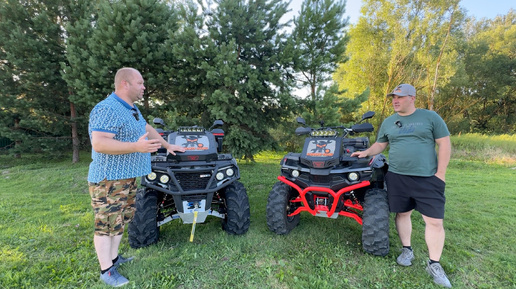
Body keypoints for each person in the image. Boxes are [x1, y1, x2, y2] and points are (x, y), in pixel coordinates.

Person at [87, 67, 185, 287]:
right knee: (106, 224)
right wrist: (136, 147)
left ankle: (114, 259)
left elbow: (146, 127)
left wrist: (167, 145)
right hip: (108, 179)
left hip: (127, 177)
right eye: (140, 83)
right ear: (125, 84)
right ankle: (106, 270)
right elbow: (99, 143)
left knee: (120, 221)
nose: (144, 87)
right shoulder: (107, 108)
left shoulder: (131, 109)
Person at [351, 84, 452, 288]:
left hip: (427, 178)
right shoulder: (389, 122)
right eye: (393, 97)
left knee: (434, 221)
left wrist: (440, 173)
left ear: (412, 98)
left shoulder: (430, 117)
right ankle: (407, 250)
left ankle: (434, 264)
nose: (395, 100)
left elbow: (444, 143)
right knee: (402, 214)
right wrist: (365, 153)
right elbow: (381, 144)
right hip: (397, 177)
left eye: (400, 97)